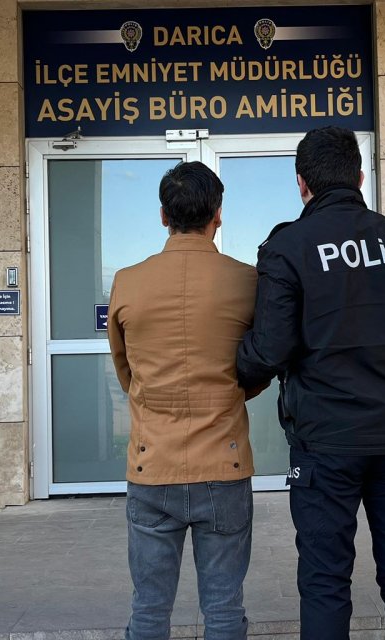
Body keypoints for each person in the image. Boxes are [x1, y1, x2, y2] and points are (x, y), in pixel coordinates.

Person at [236, 126, 385, 639]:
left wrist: (229, 371)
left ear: (301, 183)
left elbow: (269, 349)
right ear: (360, 178)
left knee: (325, 581)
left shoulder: (288, 247)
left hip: (326, 442)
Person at [107, 161, 264, 640]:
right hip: (224, 462)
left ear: (163, 215)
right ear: (218, 214)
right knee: (224, 609)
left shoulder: (128, 281)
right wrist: (231, 391)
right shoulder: (247, 281)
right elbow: (258, 364)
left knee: (149, 611)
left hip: (152, 463)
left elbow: (126, 371)